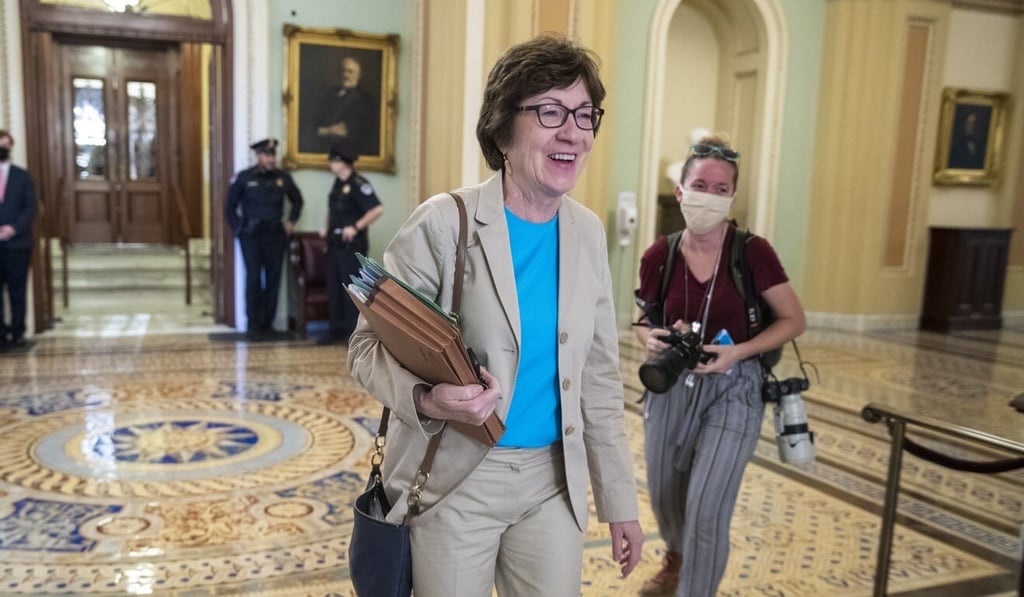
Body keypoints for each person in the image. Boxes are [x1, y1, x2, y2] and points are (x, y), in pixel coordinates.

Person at [347, 34, 643, 596]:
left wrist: (620, 503)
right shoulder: (443, 224)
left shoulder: (586, 233)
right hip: (455, 480)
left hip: (552, 482)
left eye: (585, 114)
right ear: (503, 128)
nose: (573, 132)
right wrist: (428, 399)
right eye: (550, 111)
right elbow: (364, 349)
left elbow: (598, 380)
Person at [633, 135, 806, 597]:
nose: (707, 195)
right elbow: (643, 320)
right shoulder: (659, 254)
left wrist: (739, 352)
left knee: (708, 507)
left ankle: (696, 589)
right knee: (666, 495)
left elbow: (794, 319)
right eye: (699, 184)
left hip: (734, 387)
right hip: (670, 384)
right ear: (681, 191)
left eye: (719, 188)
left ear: (732, 197)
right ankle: (676, 557)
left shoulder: (753, 253)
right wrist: (649, 338)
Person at [225, 138, 304, 341]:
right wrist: (238, 230)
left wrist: (291, 222)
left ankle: (268, 324)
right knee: (253, 279)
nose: (271, 159)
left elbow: (297, 200)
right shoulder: (244, 178)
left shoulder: (283, 178)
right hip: (251, 237)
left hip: (275, 236)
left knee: (273, 280)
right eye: (267, 155)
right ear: (258, 156)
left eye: (272, 155)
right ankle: (253, 325)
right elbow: (230, 207)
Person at [317, 137, 382, 345]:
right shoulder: (338, 184)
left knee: (350, 289)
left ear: (341, 162)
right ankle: (335, 329)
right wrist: (326, 227)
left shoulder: (358, 184)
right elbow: (333, 210)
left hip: (351, 247)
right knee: (334, 288)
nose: (331, 165)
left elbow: (377, 209)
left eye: (333, 161)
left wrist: (355, 227)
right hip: (335, 244)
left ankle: (351, 333)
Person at [0, 130, 37, 351]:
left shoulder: (22, 176)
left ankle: (17, 332)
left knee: (17, 290)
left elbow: (30, 207)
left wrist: (13, 228)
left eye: (5, 145)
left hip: (17, 244)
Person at [314, 56, 378, 156]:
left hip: (348, 153)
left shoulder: (367, 100)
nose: (345, 75)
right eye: (343, 71)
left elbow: (362, 133)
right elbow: (314, 124)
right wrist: (327, 131)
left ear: (359, 75)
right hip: (321, 151)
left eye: (350, 71)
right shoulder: (329, 95)